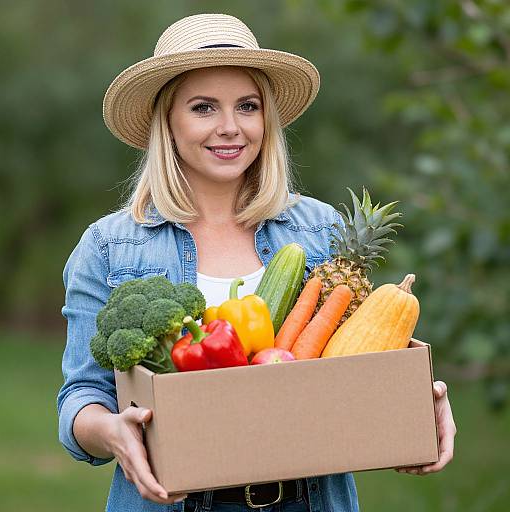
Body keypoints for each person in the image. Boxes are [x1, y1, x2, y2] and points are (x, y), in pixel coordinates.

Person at [57, 13, 457, 512]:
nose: (230, 128)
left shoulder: (319, 230)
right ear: (168, 121)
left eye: (247, 106)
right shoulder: (110, 246)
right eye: (203, 108)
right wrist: (113, 432)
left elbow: (361, 356)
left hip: (311, 498)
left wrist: (419, 400)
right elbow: (80, 397)